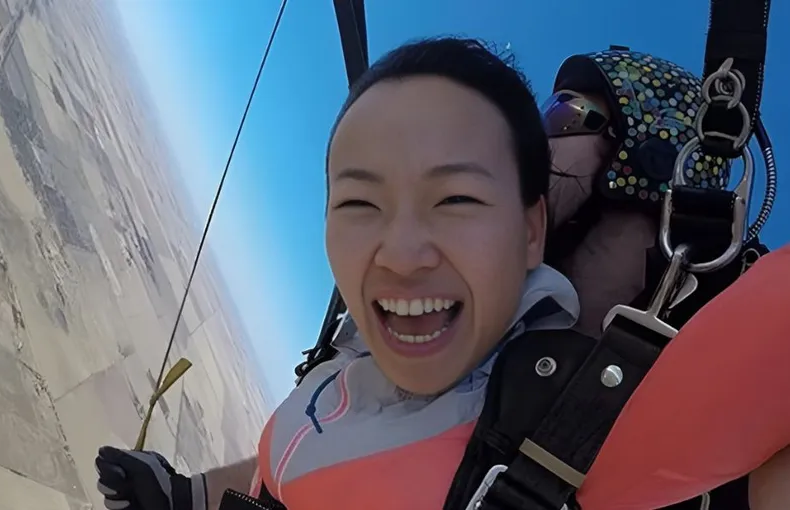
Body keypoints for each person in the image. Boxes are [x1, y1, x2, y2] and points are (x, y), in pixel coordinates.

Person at [94, 40, 790, 510]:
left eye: (564, 113)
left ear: (647, 170)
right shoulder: (412, 343)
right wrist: (186, 494)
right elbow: (308, 453)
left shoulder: (666, 448)